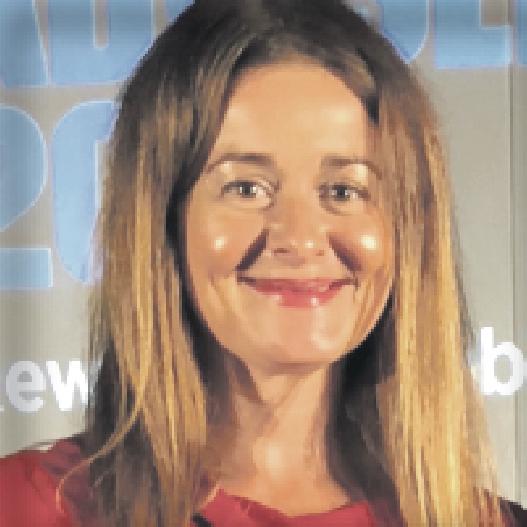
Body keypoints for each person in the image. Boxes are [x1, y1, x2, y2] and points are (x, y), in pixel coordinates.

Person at [0, 1, 526, 526]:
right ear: (163, 221)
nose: (300, 238)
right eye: (246, 188)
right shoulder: (33, 507)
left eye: (344, 190)